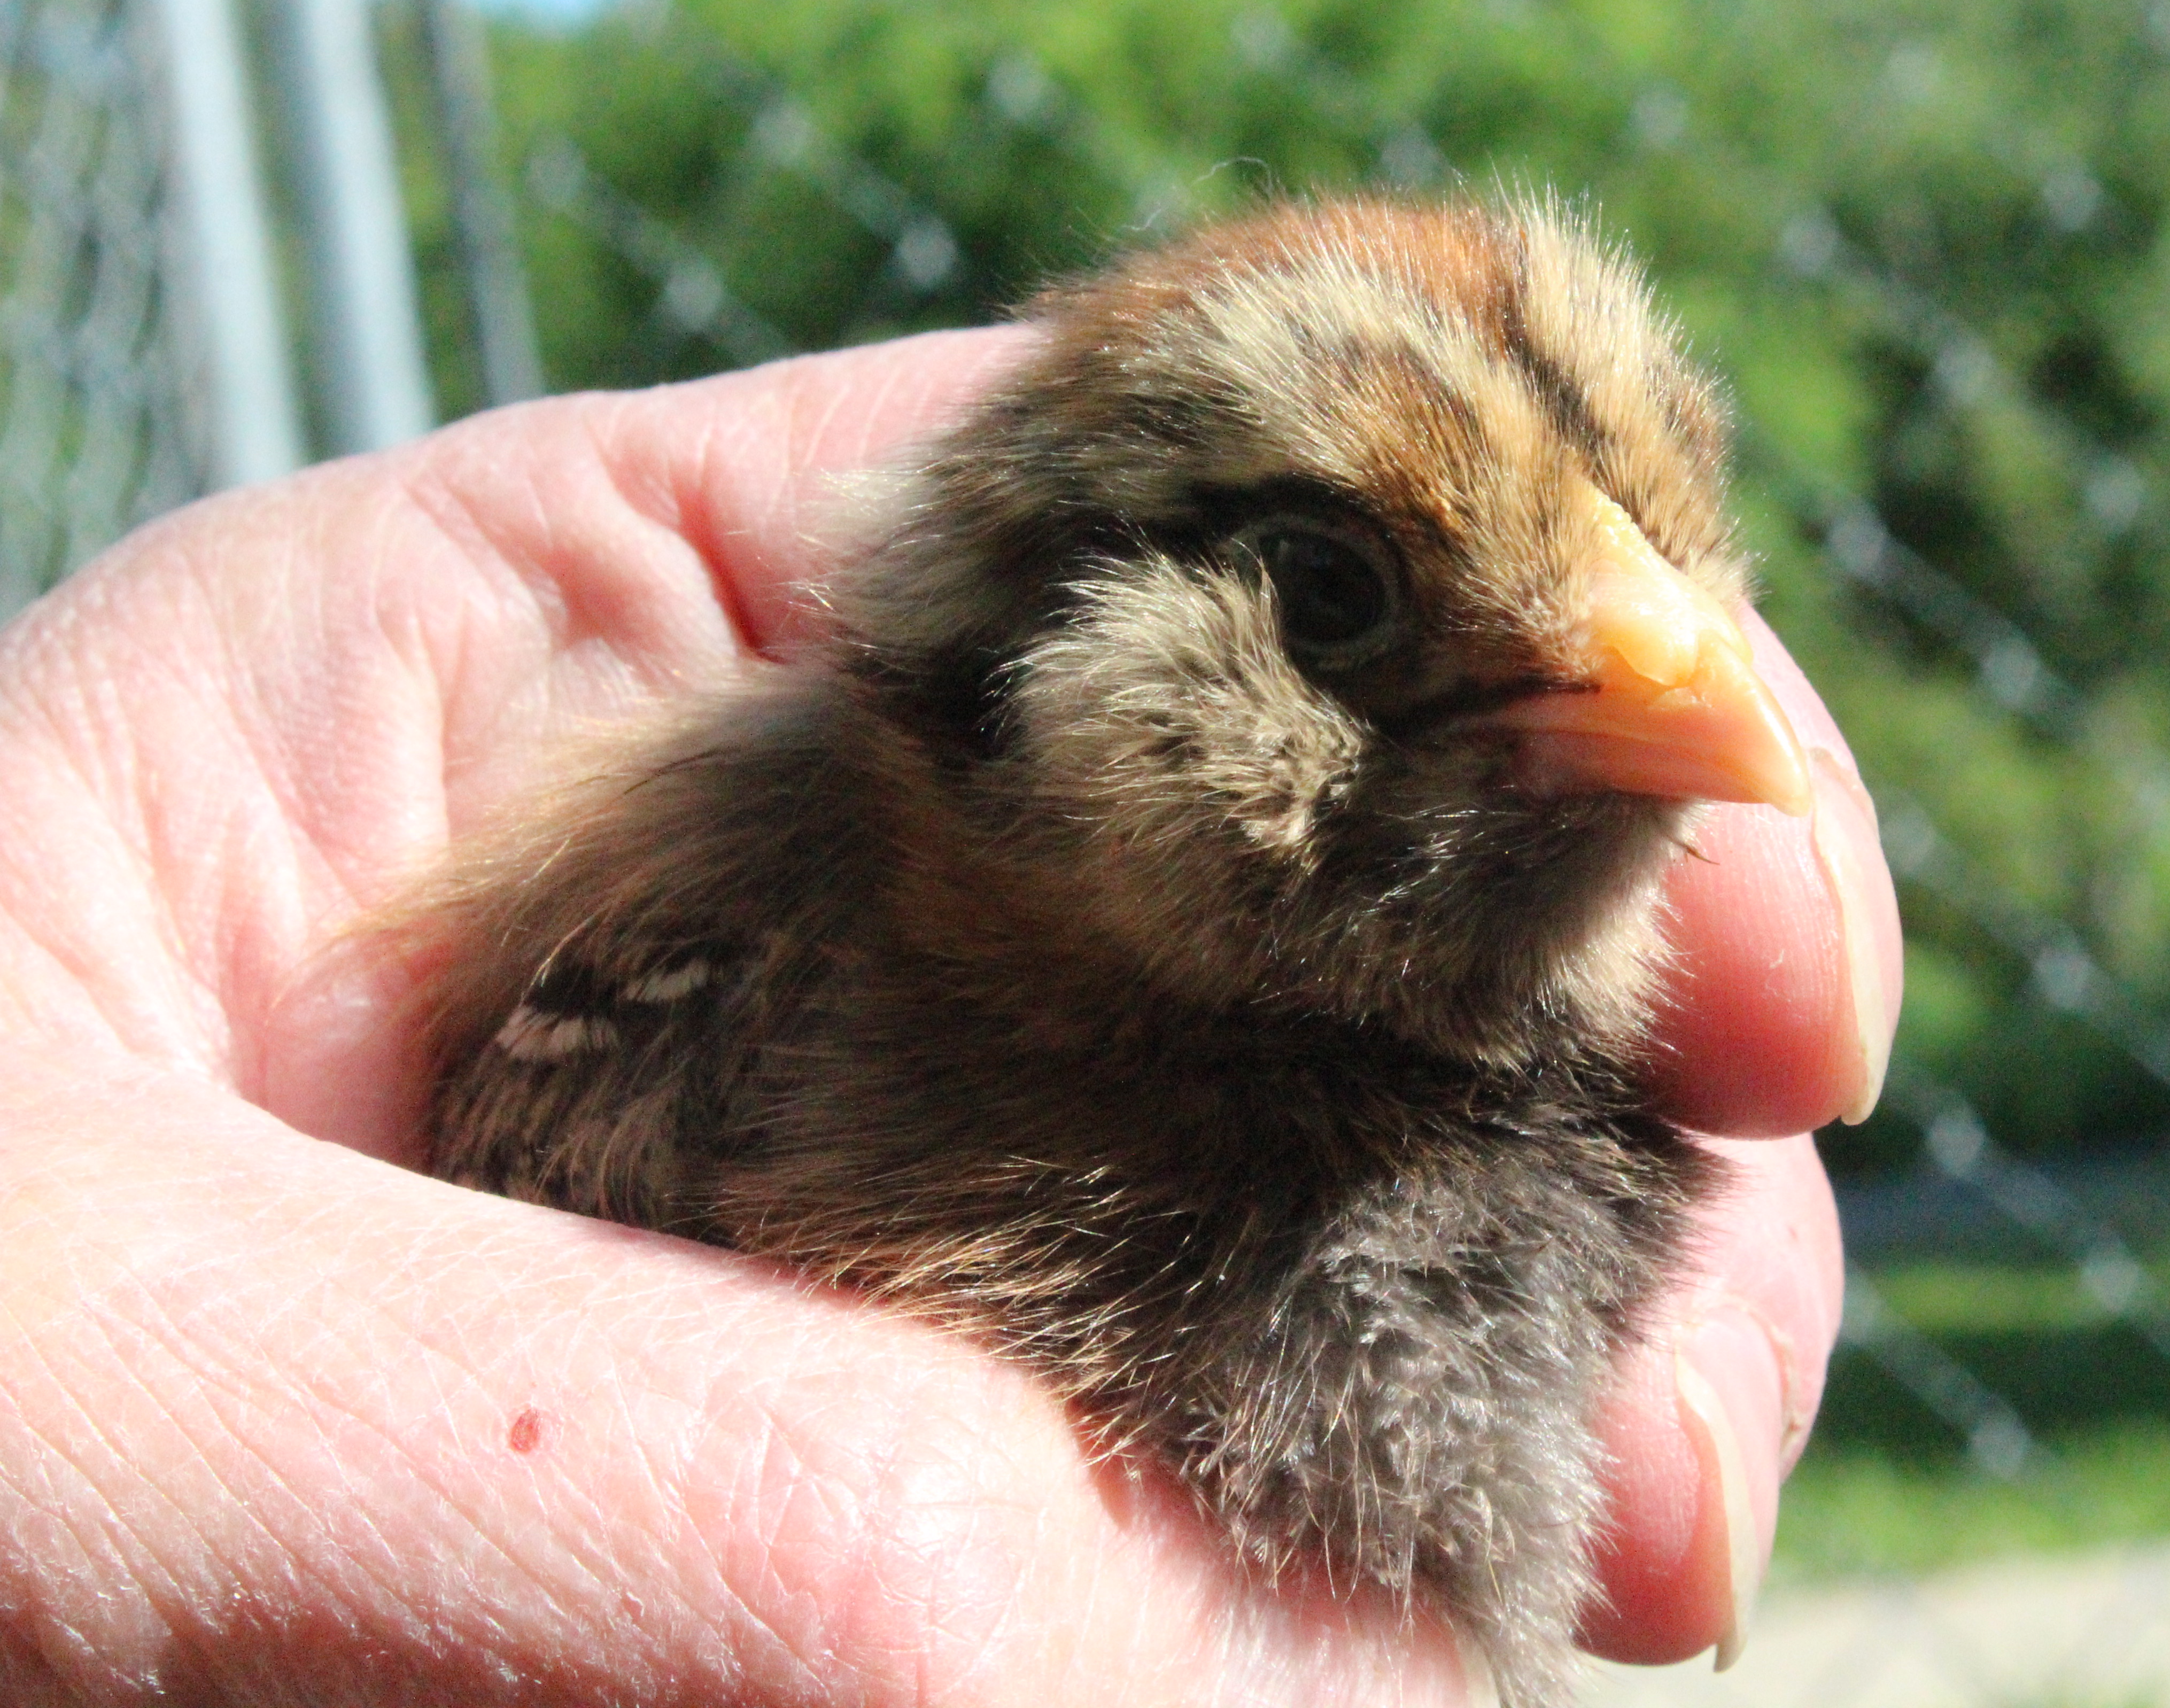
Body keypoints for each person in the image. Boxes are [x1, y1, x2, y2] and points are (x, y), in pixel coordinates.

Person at [0, 325, 1896, 1702]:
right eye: (1337, 600)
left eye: (1673, 566)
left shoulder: (1567, 1097)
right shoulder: (768, 950)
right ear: (1017, 660)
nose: (1685, 677)